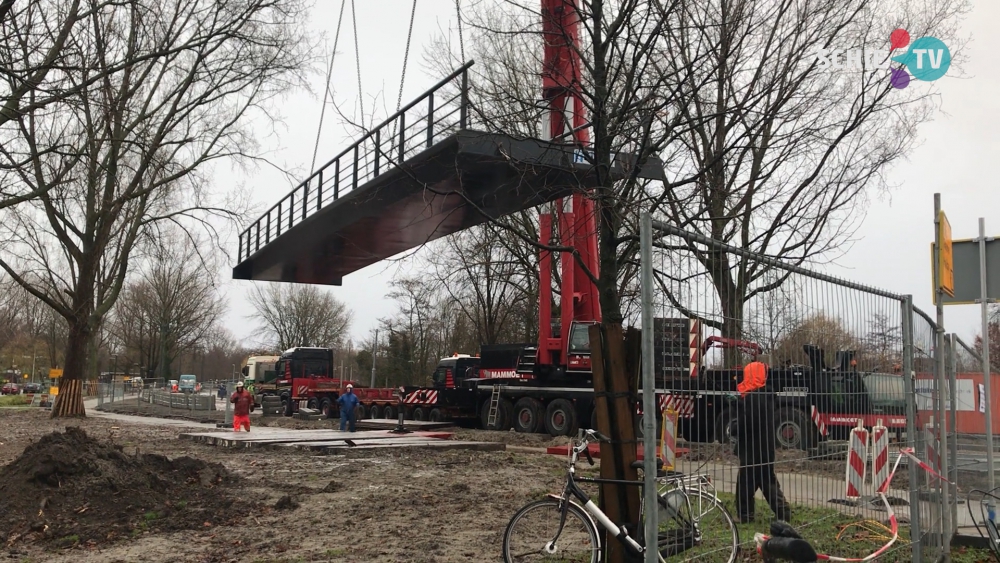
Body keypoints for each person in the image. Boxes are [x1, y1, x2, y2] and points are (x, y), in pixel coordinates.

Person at [734, 354, 790, 523]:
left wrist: (736, 422)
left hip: (752, 449)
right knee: (767, 481)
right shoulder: (766, 396)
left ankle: (745, 514)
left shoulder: (752, 399)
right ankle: (783, 511)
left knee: (744, 483)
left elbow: (746, 424)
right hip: (766, 448)